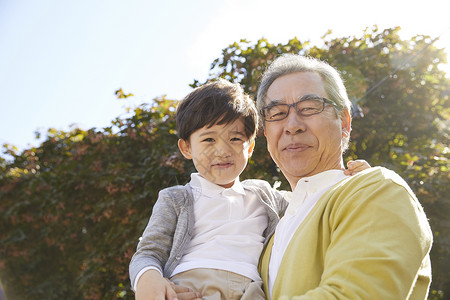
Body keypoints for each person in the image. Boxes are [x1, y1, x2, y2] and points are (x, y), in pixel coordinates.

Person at [128, 79, 369, 300]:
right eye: (209, 140)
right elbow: (149, 252)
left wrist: (347, 177)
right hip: (191, 286)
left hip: (252, 292)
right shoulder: (176, 198)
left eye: (234, 139)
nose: (222, 151)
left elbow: (310, 203)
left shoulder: (264, 196)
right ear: (186, 147)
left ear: (250, 147)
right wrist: (147, 279)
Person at [255, 54, 433, 299]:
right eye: (277, 113)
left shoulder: (378, 190)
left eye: (309, 108)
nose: (292, 125)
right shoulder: (272, 230)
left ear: (345, 122)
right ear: (266, 132)